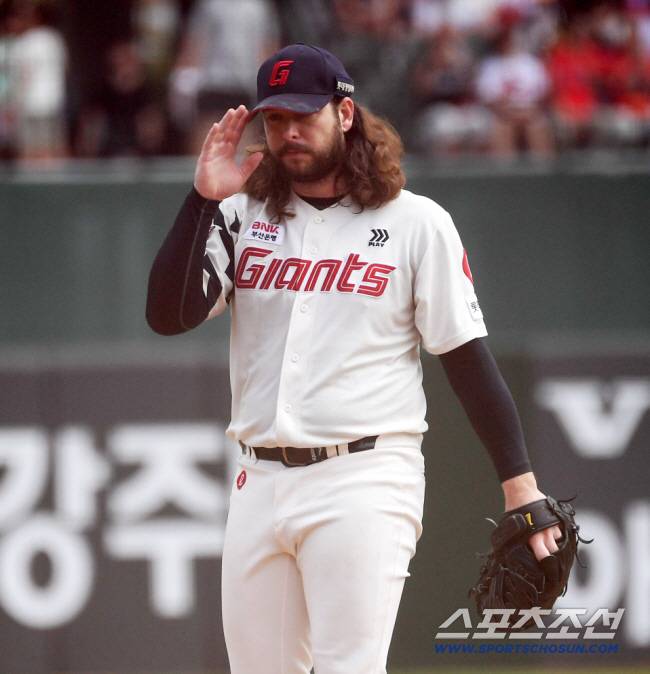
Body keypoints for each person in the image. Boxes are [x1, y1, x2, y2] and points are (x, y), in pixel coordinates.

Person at [146, 43, 562, 674]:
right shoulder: (242, 214)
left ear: (344, 114)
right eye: (275, 119)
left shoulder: (415, 223)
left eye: (303, 115)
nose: (288, 132)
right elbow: (167, 315)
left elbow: (466, 359)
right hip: (258, 479)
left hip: (363, 477)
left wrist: (520, 485)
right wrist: (202, 200)